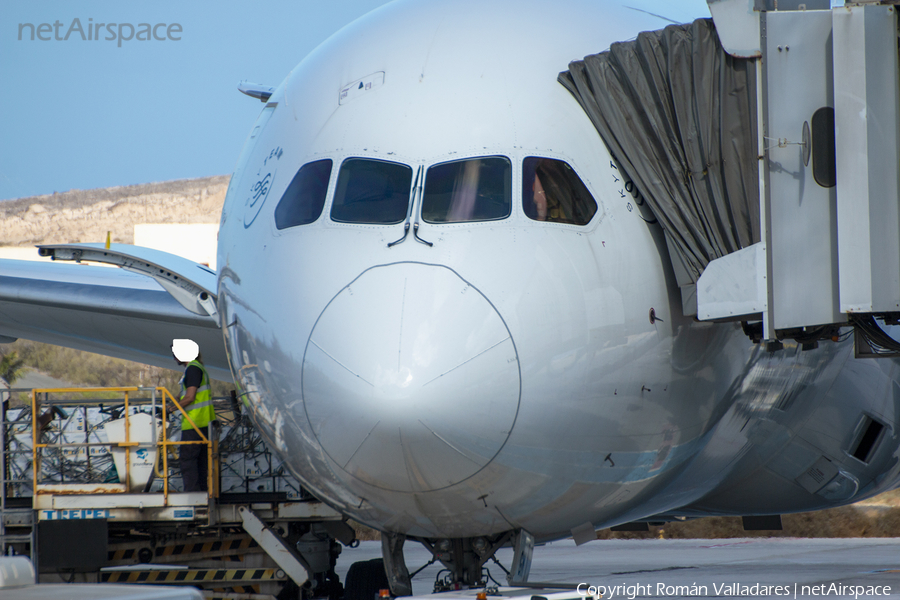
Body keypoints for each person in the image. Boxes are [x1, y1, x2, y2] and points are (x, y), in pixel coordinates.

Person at [171, 338, 215, 492]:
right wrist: (175, 399)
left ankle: (192, 494)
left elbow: (190, 397)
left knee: (188, 460)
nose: (174, 357)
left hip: (194, 423)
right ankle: (202, 492)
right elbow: (186, 393)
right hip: (204, 423)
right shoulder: (197, 369)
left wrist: (170, 409)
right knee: (202, 461)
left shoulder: (193, 369)